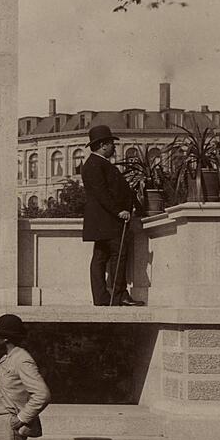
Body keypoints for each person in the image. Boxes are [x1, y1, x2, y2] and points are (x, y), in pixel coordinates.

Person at [79, 123, 141, 306]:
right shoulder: (95, 164)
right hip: (109, 220)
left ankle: (103, 298)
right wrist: (119, 211)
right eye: (112, 144)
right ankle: (119, 295)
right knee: (118, 255)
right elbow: (102, 193)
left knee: (101, 257)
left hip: (103, 221)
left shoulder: (96, 163)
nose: (114, 147)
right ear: (103, 145)